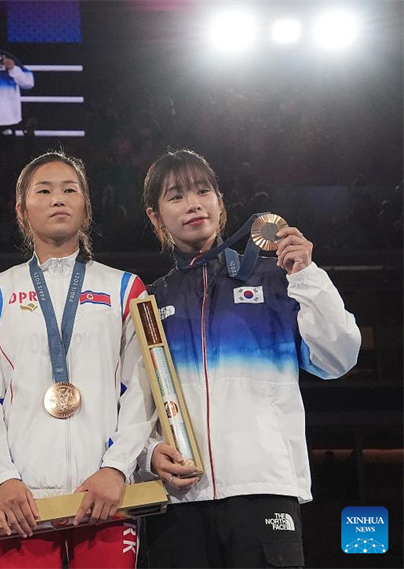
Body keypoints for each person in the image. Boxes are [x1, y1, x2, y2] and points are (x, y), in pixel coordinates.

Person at [137, 149, 361, 568]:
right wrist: (149, 453)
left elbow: (339, 358)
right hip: (179, 500)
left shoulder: (277, 277)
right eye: (176, 196)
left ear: (221, 204)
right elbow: (138, 405)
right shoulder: (150, 302)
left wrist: (308, 275)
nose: (193, 204)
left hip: (264, 488)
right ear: (155, 217)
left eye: (204, 191)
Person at [0, 151, 154, 568]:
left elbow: (142, 391)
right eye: (43, 190)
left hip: (106, 492)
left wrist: (117, 469)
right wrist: (2, 479)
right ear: (21, 208)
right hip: (22, 501)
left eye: (70, 190)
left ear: (85, 204)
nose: (58, 199)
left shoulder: (125, 288)